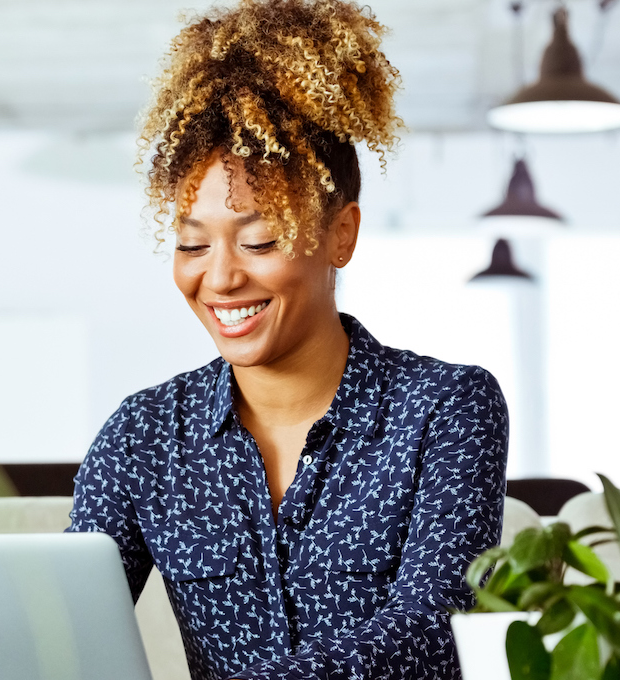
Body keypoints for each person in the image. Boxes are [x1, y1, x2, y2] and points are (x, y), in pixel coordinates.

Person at [67, 1, 509, 679]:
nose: (219, 277)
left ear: (342, 234)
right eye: (191, 244)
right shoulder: (143, 438)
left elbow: (436, 625)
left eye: (259, 240)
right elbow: (64, 630)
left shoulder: (446, 408)